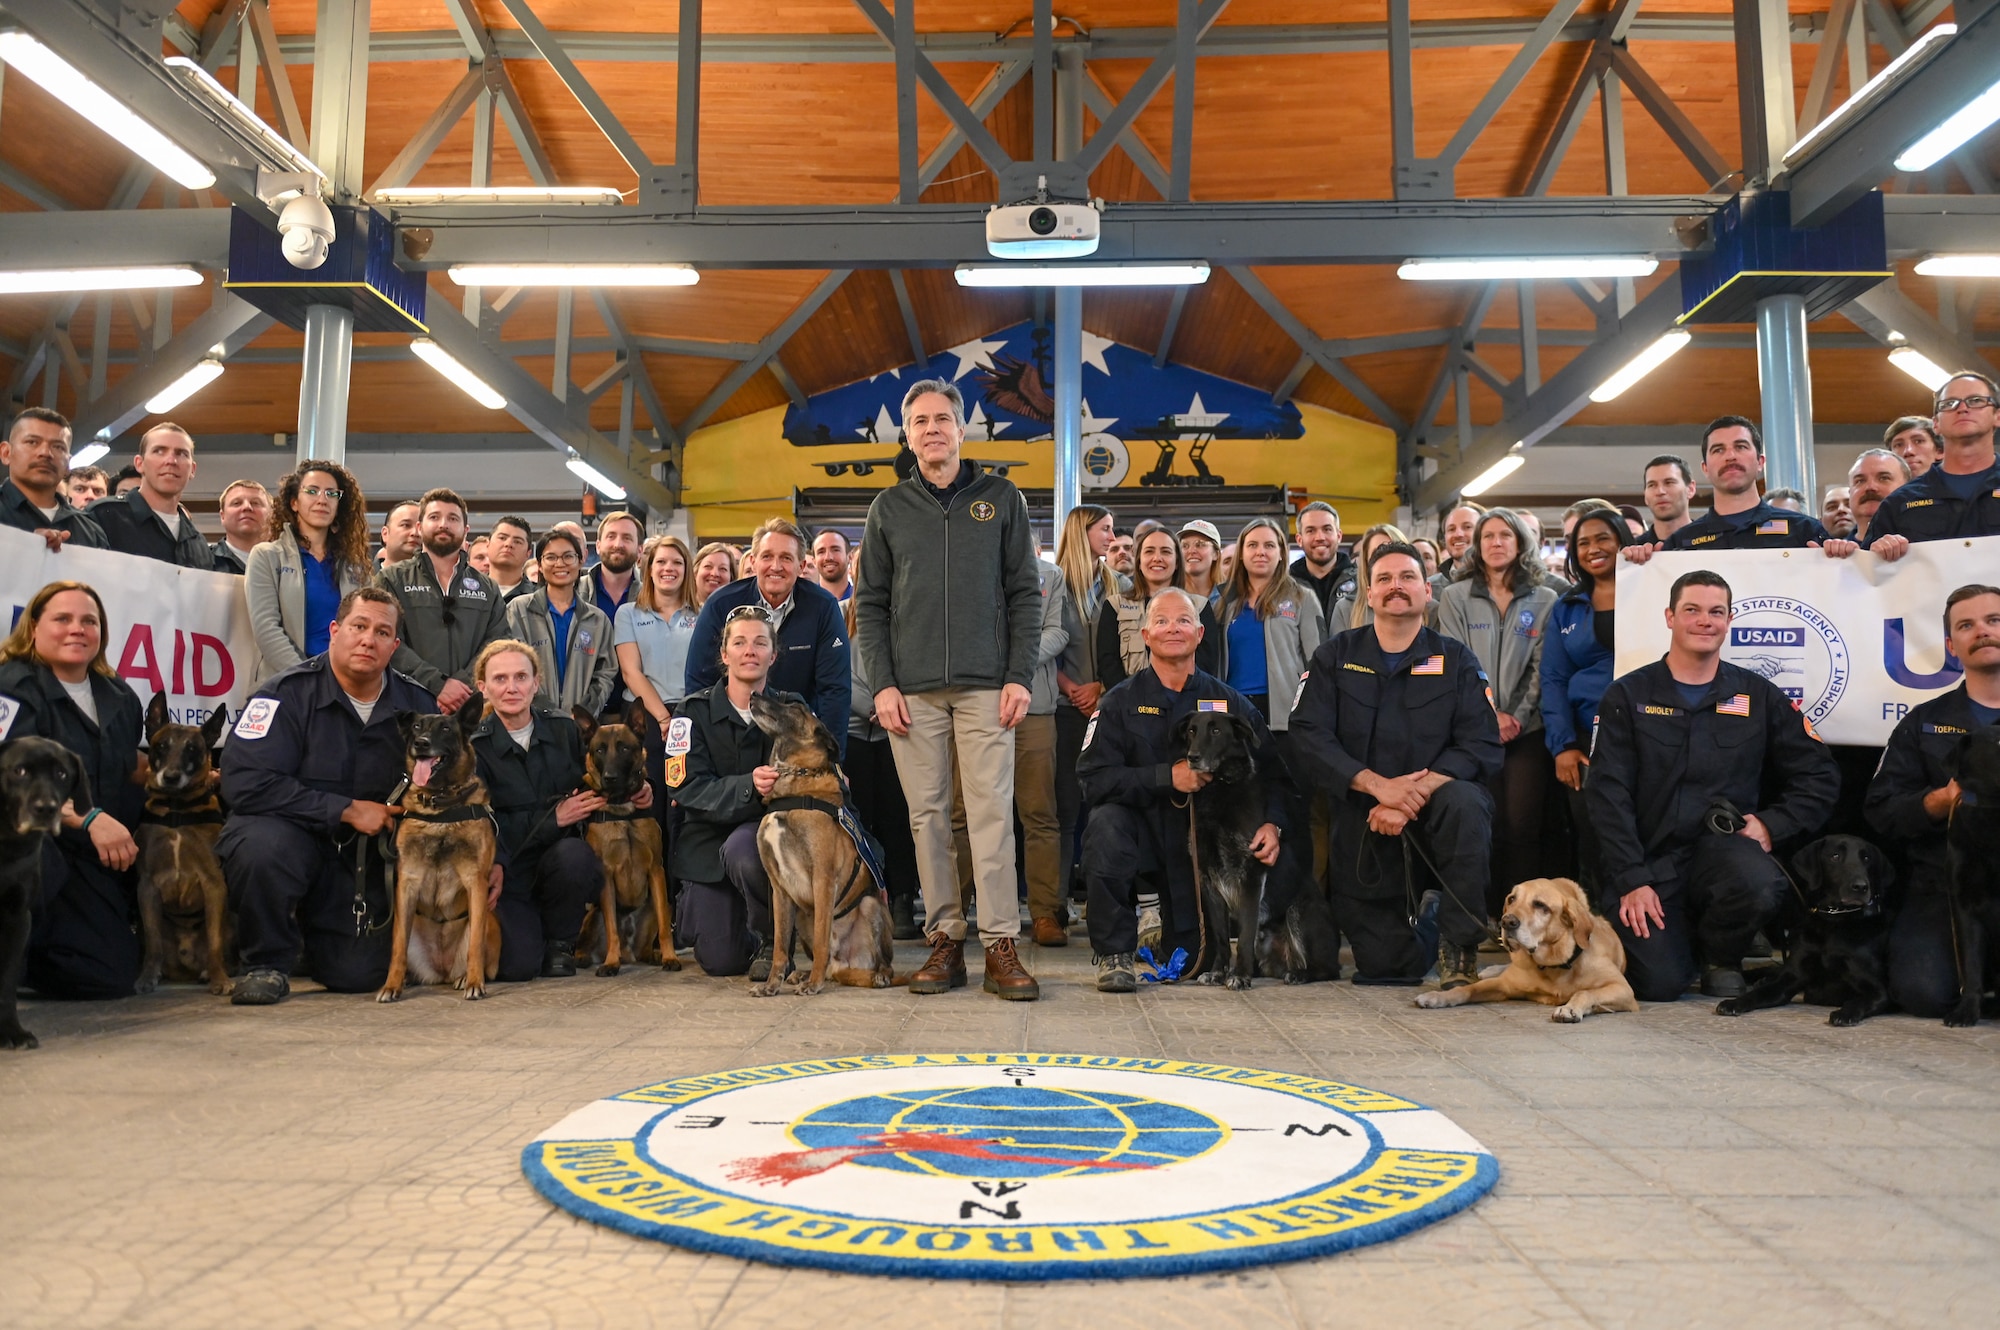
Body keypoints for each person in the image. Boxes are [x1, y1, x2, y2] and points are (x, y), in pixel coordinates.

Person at [854, 378, 1043, 1000]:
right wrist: (883, 685)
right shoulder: (888, 510)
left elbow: (1023, 596)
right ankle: (944, 941)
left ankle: (1000, 946)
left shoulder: (1002, 499)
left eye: (943, 419)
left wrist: (1018, 674)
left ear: (963, 430)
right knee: (928, 817)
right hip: (912, 693)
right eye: (920, 422)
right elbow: (872, 606)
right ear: (907, 436)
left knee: (991, 816)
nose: (932, 429)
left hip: (989, 687)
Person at [1586, 570, 1839, 1002]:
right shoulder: (1627, 695)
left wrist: (1772, 825)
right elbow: (1607, 795)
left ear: (1729, 620)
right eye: (1692, 610)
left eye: (1716, 612)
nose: (1705, 621)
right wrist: (1631, 879)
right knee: (1660, 984)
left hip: (1720, 855)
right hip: (1648, 861)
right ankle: (1680, 949)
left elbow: (1820, 775)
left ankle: (1722, 957)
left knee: (1759, 882)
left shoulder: (1758, 695)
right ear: (1670, 617)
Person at [1291, 543, 1501, 988]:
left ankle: (1459, 944)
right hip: (1365, 816)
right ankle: (1425, 922)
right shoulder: (1333, 656)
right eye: (1383, 579)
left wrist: (1410, 794)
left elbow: (1480, 742)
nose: (1395, 588)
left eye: (1406, 578)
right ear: (1369, 595)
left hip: (1438, 811)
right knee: (1386, 968)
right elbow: (1308, 735)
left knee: (1466, 802)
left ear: (1427, 591)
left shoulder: (1456, 659)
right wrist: (1377, 788)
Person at [218, 587, 440, 1005]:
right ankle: (265, 961)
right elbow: (243, 781)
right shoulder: (282, 694)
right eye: (358, 626)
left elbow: (454, 779)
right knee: (258, 844)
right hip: (294, 839)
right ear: (335, 631)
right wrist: (345, 808)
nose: (367, 640)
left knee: (355, 974)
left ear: (394, 646)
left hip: (364, 860)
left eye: (382, 632)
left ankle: (312, 944)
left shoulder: (418, 704)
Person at [1078, 587, 1289, 991]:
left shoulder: (1230, 703)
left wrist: (1273, 825)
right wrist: (1165, 777)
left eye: (1183, 621)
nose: (1172, 628)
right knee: (1104, 826)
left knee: (1192, 956)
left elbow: (1276, 773)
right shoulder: (1118, 702)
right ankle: (1115, 954)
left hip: (1205, 850)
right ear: (1145, 635)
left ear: (1199, 634)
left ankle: (1195, 939)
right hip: (1144, 837)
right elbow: (1092, 778)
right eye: (1161, 621)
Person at [0, 581, 144, 998]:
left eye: (89, 621)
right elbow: (11, 788)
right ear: (33, 627)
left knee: (108, 976)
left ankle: (27, 961)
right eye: (62, 619)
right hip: (26, 839)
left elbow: (126, 764)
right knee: (39, 861)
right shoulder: (12, 687)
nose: (76, 629)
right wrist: (91, 818)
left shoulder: (118, 695)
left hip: (86, 856)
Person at [1866, 584, 2000, 1018]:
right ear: (1951, 646)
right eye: (1967, 625)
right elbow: (1881, 810)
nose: (1982, 631)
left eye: (1993, 621)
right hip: (1945, 887)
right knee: (1925, 992)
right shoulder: (1923, 723)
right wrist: (1940, 801)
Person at [1434, 509, 1560, 912]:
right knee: (1482, 823)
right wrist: (1490, 715)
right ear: (1477, 544)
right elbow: (1457, 661)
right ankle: (1484, 913)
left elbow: (1544, 666)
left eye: (1505, 535)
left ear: (1521, 542)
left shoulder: (1545, 598)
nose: (1496, 542)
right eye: (1487, 536)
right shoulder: (1455, 596)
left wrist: (1517, 716)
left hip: (1528, 730)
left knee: (1523, 826)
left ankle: (1523, 914)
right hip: (1474, 728)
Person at [467, 639, 609, 981]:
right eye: (500, 679)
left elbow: (595, 779)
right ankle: (535, 936)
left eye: (521, 677)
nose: (512, 688)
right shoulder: (473, 747)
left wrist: (637, 789)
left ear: (536, 682)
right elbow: (479, 824)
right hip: (509, 869)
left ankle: (561, 942)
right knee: (517, 967)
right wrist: (552, 819)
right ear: (483, 688)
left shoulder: (563, 729)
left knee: (574, 856)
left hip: (559, 864)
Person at [952, 555, 1069, 947]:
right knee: (962, 810)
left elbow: (1058, 632)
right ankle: (955, 910)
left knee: (1039, 814)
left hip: (1032, 707)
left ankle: (1044, 912)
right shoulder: (967, 566)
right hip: (971, 707)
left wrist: (1012, 663)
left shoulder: (1050, 575)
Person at [669, 605, 791, 978]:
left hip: (769, 845)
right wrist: (747, 786)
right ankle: (744, 931)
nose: (749, 651)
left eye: (759, 643)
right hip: (707, 849)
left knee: (745, 845)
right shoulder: (690, 713)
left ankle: (776, 940)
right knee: (721, 962)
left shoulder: (793, 710)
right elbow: (683, 784)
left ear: (773, 654)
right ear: (725, 655)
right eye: (739, 643)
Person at [684, 516, 849, 755]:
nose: (776, 566)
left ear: (802, 566)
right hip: (730, 734)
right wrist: (702, 750)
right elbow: (698, 683)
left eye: (786, 558)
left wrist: (833, 761)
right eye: (767, 556)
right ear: (753, 561)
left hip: (796, 739)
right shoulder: (720, 604)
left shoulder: (823, 607)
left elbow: (834, 692)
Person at [1540, 508, 1629, 897]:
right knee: (1592, 835)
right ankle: (1599, 925)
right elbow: (1554, 679)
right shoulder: (1567, 606)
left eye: (1603, 538)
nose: (1594, 548)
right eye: (1583, 543)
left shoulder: (1656, 589)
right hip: (1585, 736)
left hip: (1652, 730)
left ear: (1623, 541)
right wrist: (1563, 746)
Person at [376, 487, 509, 715]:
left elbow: (497, 642)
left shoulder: (488, 589)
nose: (443, 524)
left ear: (465, 530)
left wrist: (463, 685)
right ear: (420, 527)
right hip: (408, 707)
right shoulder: (391, 579)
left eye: (453, 518)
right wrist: (437, 684)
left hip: (470, 711)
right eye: (434, 517)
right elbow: (385, 638)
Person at [1626, 418, 1832, 562]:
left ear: (1760, 462)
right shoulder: (1681, 542)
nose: (1730, 456)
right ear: (1705, 468)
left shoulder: (1805, 531)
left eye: (1741, 446)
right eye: (1718, 450)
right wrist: (1640, 563)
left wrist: (1845, 556)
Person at [245, 461, 370, 679]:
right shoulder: (267, 555)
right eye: (312, 491)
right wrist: (309, 678)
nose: (322, 500)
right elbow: (267, 629)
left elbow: (367, 627)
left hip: (346, 683)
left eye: (332, 494)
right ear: (294, 502)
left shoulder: (356, 565)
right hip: (288, 683)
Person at [1053, 504, 1119, 916]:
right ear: (1083, 532)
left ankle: (1104, 901)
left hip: (1110, 710)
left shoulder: (1120, 584)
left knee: (1104, 808)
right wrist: (1073, 688)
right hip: (1064, 708)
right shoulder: (1052, 584)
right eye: (1106, 529)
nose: (1112, 537)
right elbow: (1041, 645)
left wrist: (1102, 689)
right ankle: (1055, 903)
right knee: (1063, 810)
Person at [844, 597, 922, 940]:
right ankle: (862, 898)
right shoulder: (839, 613)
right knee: (861, 818)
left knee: (900, 818)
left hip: (902, 728)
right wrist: (874, 703)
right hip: (855, 731)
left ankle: (903, 897)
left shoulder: (911, 612)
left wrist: (897, 704)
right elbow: (837, 670)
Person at [614, 534, 698, 848]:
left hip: (689, 715)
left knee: (682, 801)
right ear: (648, 569)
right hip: (644, 717)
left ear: (687, 569)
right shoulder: (628, 613)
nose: (668, 568)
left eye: (677, 562)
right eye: (661, 562)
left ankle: (680, 887)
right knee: (648, 801)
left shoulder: (700, 615)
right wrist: (663, 719)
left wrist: (678, 719)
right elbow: (630, 671)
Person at [1864, 373, 2000, 557]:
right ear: (1936, 424)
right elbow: (1868, 575)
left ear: (1997, 416)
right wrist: (1877, 553)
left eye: (1976, 401)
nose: (1962, 408)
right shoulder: (1900, 502)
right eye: (1949, 404)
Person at [505, 529, 619, 716]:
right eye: (550, 557)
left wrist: (583, 713)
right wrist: (545, 712)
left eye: (568, 556)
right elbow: (513, 667)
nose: (560, 564)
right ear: (540, 564)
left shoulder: (597, 620)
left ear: (581, 560)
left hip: (580, 726)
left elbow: (605, 674)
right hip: (531, 720)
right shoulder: (519, 610)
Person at [1097, 522, 1220, 688]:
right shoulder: (1115, 606)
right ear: (1139, 561)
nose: (1157, 558)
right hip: (1128, 706)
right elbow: (1108, 664)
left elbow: (1207, 662)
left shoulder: (1199, 606)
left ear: (1177, 562)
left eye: (1166, 551)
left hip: (1186, 703)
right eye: (1149, 551)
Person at [85, 423, 212, 569]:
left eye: (181, 453)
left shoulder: (198, 543)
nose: (171, 461)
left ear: (192, 469)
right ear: (140, 464)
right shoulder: (102, 517)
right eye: (159, 451)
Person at [0, 408, 106, 552]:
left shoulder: (90, 531)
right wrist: (22, 547)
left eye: (58, 447)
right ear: (6, 453)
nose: (45, 453)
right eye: (32, 442)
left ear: (68, 463)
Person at [1334, 523, 1410, 629]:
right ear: (1366, 561)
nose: (1386, 558)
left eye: (1393, 549)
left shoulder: (1429, 607)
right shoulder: (1345, 609)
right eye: (1377, 552)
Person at [1290, 501, 1355, 622]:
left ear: (1339, 536)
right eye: (1310, 531)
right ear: (1299, 539)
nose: (1320, 537)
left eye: (1327, 529)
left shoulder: (1361, 582)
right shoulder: (1284, 587)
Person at [582, 510, 644, 623]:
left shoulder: (651, 597)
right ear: (598, 546)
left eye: (627, 538)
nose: (618, 544)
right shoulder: (575, 592)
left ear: (640, 550)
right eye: (611, 536)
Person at [1846, 447, 1909, 544]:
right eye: (1860, 481)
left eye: (1884, 478)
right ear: (1850, 494)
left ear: (1908, 489)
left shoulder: (1929, 548)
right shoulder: (1831, 557)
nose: (1870, 487)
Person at [209, 479, 271, 575]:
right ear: (222, 516)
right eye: (236, 503)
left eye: (255, 503)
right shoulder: (202, 561)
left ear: (271, 514)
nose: (247, 507)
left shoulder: (286, 562)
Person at [487, 516, 535, 602]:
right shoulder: (467, 592)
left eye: (517, 541)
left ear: (528, 553)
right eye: (502, 538)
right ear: (488, 545)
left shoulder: (539, 597)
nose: (508, 544)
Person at [1179, 519, 1223, 603]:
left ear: (1216, 554)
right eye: (1185, 545)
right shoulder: (1170, 595)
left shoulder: (1229, 597)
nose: (1191, 551)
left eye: (1200, 544)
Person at [1438, 503, 1483, 577]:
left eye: (1467, 527)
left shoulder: (1500, 583)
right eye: (1451, 529)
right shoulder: (1432, 586)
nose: (1458, 534)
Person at [690, 541, 738, 609]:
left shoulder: (739, 614)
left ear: (731, 577)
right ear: (695, 572)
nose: (715, 574)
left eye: (722, 569)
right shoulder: (678, 612)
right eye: (708, 566)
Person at [810, 528, 854, 600]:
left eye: (836, 550)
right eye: (821, 552)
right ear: (814, 561)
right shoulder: (804, 602)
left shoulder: (862, 600)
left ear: (849, 557)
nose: (828, 557)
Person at [378, 500, 421, 566]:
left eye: (421, 528)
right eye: (406, 525)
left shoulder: (438, 575)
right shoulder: (361, 575)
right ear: (385, 534)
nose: (415, 533)